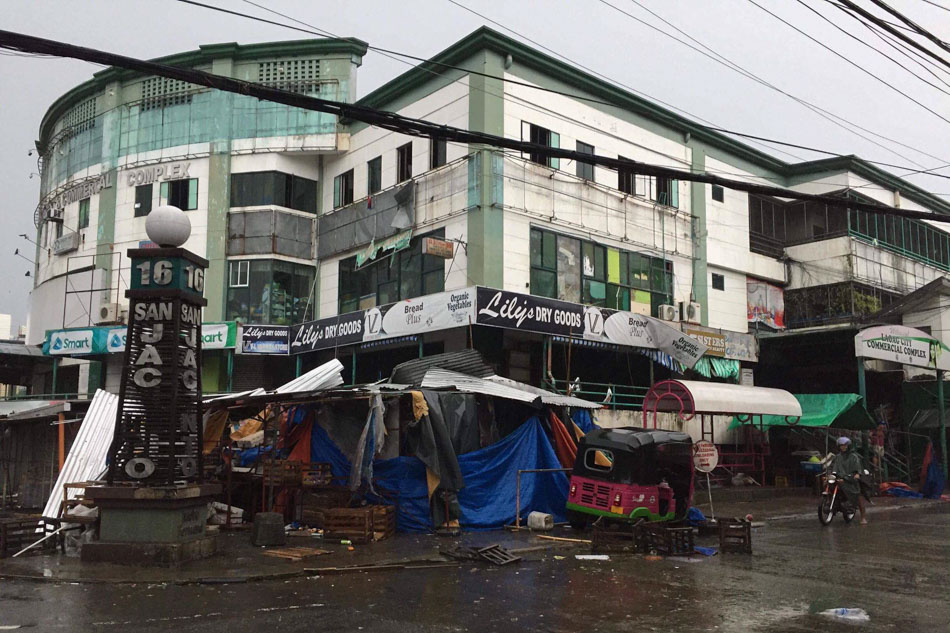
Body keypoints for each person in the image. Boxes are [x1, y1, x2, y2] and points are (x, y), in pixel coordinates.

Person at [831, 436, 867, 525]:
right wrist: (831, 474)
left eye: (845, 445)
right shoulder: (837, 457)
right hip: (839, 478)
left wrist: (857, 474)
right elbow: (832, 467)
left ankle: (863, 517)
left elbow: (858, 468)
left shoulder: (854, 457)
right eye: (841, 445)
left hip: (850, 479)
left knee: (858, 496)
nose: (843, 447)